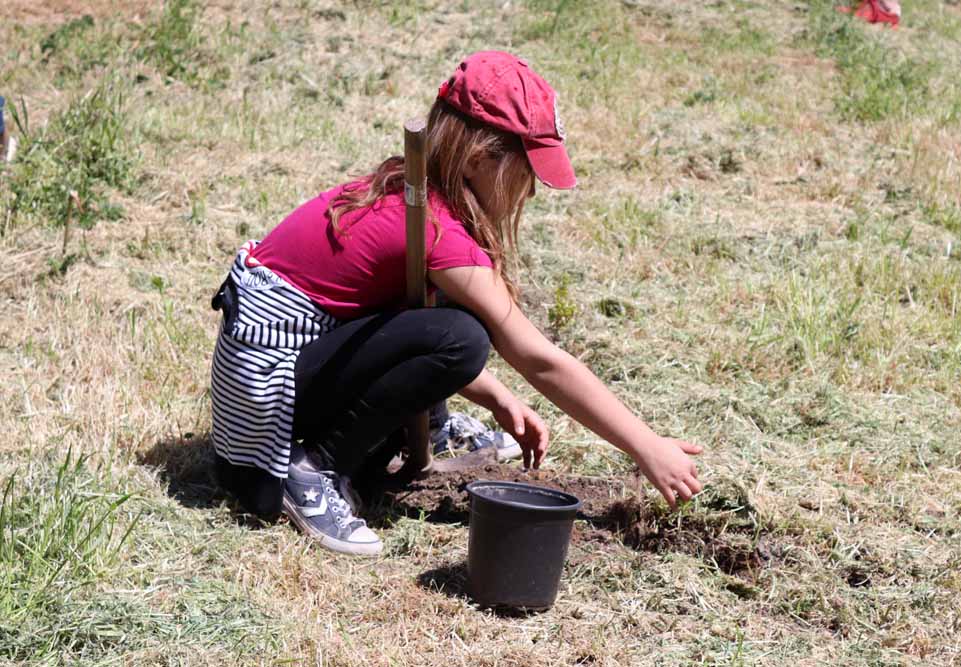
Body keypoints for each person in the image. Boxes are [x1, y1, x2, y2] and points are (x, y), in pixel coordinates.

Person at [209, 51, 703, 556]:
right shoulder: (438, 232)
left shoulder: (412, 194)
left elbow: (390, 331)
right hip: (263, 433)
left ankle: (430, 427)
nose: (531, 189)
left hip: (256, 402)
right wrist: (646, 446)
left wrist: (498, 398)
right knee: (461, 336)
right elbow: (539, 359)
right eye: (526, 167)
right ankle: (311, 470)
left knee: (447, 318)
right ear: (477, 157)